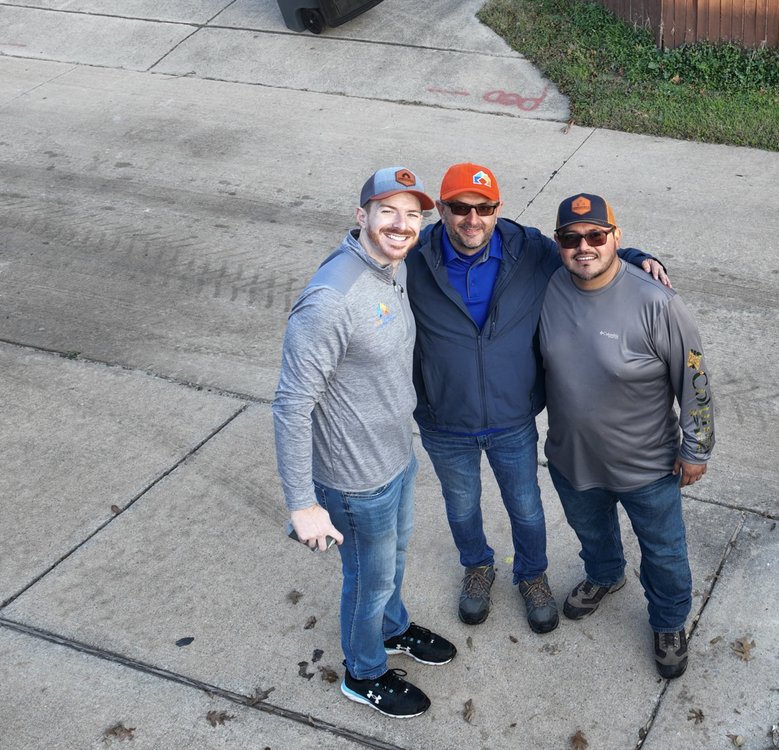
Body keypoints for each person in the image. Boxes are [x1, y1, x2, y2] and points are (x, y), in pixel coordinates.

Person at [405, 164, 671, 634]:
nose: (473, 219)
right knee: (462, 505)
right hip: (444, 419)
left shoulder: (527, 250)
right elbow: (368, 249)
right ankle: (478, 566)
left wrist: (640, 256)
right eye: (461, 208)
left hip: (511, 417)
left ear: (497, 210)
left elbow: (586, 251)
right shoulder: (414, 259)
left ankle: (532, 574)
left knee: (526, 505)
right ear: (442, 211)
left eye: (483, 208)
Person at [273, 167, 456, 719]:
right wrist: (303, 505)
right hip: (354, 481)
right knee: (367, 582)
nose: (402, 225)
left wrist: (633, 256)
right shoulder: (332, 298)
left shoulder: (389, 265)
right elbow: (290, 404)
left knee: (393, 561)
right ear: (361, 216)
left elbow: (487, 229)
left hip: (396, 456)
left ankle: (394, 629)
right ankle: (364, 671)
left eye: (413, 215)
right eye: (388, 211)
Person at [539, 192, 715, 678]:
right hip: (572, 460)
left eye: (597, 235)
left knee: (663, 552)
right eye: (572, 238)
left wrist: (696, 448)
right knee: (591, 532)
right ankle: (605, 575)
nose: (584, 247)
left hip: (647, 467)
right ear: (558, 244)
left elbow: (694, 380)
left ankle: (669, 620)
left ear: (616, 237)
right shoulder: (549, 285)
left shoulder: (658, 302)